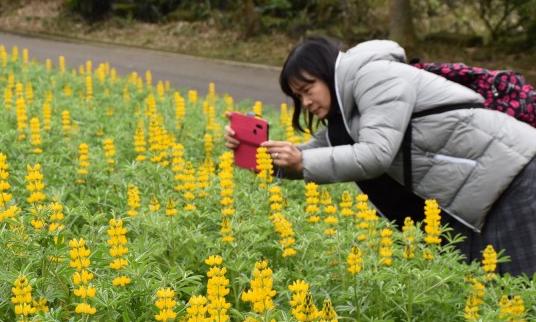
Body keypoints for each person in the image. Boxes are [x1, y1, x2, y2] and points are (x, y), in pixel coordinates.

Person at [225, 36, 536, 277]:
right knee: (496, 299)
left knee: (520, 295)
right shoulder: (345, 117)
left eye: (308, 89)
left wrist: (302, 162)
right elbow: (311, 154)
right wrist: (259, 154)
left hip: (515, 178)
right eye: (298, 96)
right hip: (480, 196)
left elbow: (376, 154)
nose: (305, 102)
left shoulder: (374, 76)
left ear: (325, 71)